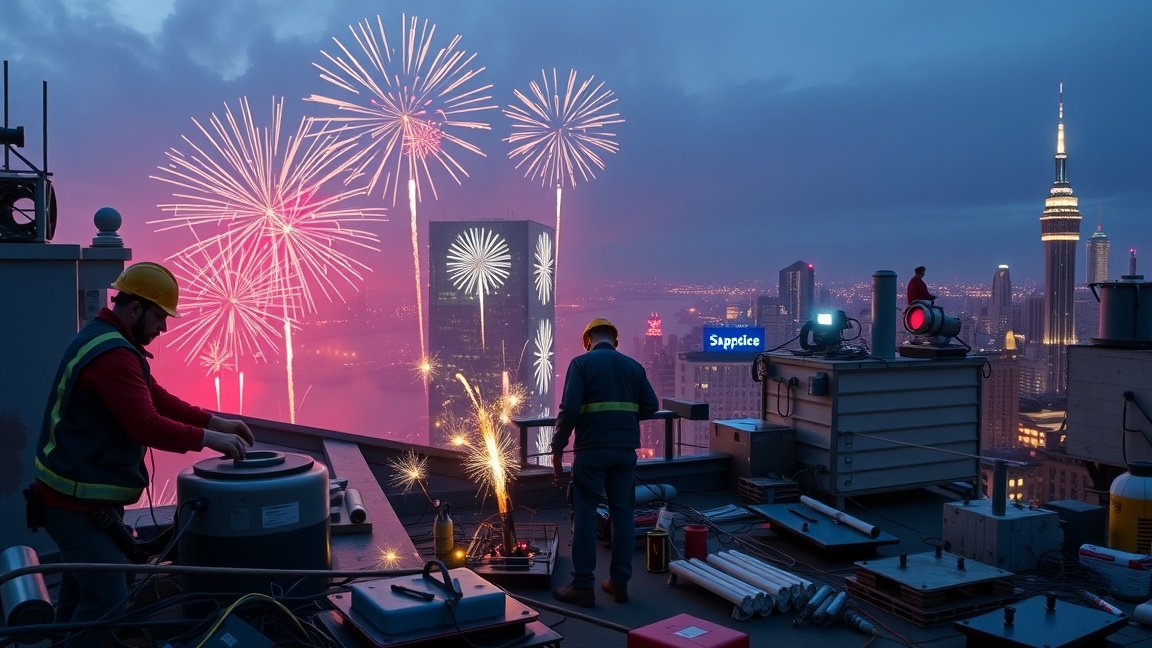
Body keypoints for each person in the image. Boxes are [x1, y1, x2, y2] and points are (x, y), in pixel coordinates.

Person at [30, 261, 254, 646]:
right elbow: (145, 425)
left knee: (77, 597)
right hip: (75, 508)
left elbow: (155, 397)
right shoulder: (113, 356)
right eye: (159, 317)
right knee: (106, 604)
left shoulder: (104, 339)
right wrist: (207, 439)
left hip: (73, 501)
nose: (162, 328)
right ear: (135, 309)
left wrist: (215, 421)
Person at [551, 318, 659, 607]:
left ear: (588, 340)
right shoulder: (633, 367)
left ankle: (583, 586)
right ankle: (619, 584)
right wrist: (623, 419)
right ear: (616, 341)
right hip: (625, 451)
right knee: (623, 515)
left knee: (585, 514)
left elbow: (570, 409)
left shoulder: (581, 364)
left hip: (592, 450)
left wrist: (558, 449)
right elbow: (651, 406)